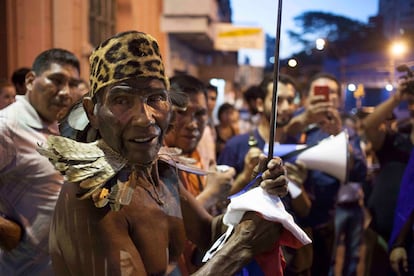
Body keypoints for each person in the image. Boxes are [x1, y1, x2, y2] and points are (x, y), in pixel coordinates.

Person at [40, 30, 291, 276]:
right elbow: (231, 246)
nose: (144, 118)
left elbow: (208, 232)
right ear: (92, 112)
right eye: (122, 100)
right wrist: (239, 249)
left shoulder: (161, 169)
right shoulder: (92, 197)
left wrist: (258, 195)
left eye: (155, 97)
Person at [218, 73, 312, 275]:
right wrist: (245, 176)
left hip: (288, 258)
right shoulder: (237, 145)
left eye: (290, 100)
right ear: (260, 103)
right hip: (244, 258)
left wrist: (296, 184)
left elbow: (305, 210)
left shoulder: (298, 148)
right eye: (278, 100)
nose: (286, 107)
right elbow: (219, 205)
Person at [0, 48, 80, 274]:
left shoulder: (57, 128)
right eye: (56, 80)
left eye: (72, 84)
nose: (65, 92)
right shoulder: (7, 128)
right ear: (31, 81)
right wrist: (9, 233)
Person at [286, 72, 367, 276]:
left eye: (332, 92)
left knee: (322, 269)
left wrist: (340, 137)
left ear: (339, 100)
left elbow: (359, 172)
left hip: (323, 220)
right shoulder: (293, 120)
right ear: (307, 98)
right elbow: (279, 140)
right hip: (288, 219)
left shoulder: (345, 130)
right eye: (320, 92)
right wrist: (304, 120)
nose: (327, 97)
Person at [196, 83, 218, 169]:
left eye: (213, 99)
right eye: (207, 98)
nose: (209, 102)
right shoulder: (197, 123)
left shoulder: (213, 122)